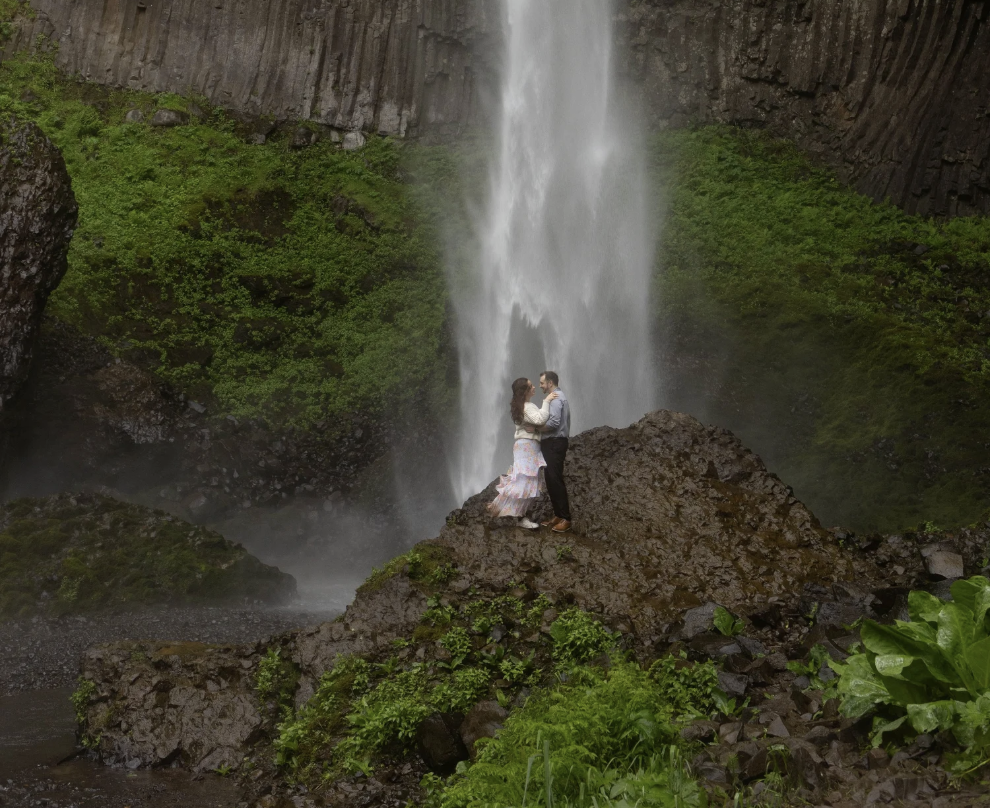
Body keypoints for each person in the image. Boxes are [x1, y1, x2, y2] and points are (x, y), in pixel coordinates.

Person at [488, 377, 558, 529]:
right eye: (531, 386)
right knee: (524, 481)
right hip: (528, 446)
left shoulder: (522, 406)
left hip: (525, 447)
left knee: (524, 480)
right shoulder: (526, 407)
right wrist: (547, 401)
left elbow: (537, 423)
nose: (534, 387)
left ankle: (511, 510)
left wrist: (539, 428)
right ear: (525, 392)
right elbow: (540, 419)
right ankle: (513, 513)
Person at [538, 370, 571, 533]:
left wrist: (536, 428)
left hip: (555, 443)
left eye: (542, 383)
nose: (540, 386)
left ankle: (566, 518)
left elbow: (554, 423)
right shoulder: (554, 398)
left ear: (550, 383)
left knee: (555, 479)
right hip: (551, 443)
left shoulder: (556, 399)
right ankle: (558, 514)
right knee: (550, 479)